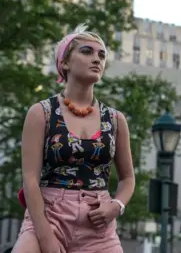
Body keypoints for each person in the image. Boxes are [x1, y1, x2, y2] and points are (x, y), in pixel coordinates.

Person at [12, 24, 135, 253]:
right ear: (65, 63)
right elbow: (30, 180)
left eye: (101, 54)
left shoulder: (116, 120)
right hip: (49, 217)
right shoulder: (41, 113)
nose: (96, 58)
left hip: (98, 227)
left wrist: (116, 206)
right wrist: (45, 237)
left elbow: (127, 178)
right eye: (86, 51)